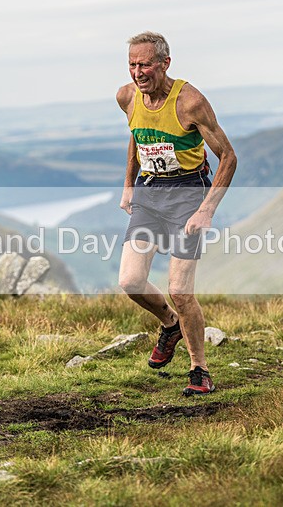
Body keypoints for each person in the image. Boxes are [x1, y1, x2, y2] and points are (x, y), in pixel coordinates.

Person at [117, 32, 237, 396]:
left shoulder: (190, 102)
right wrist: (128, 183)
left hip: (188, 194)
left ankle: (199, 369)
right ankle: (169, 325)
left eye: (145, 64)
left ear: (165, 64)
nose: (138, 73)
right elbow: (138, 137)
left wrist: (206, 209)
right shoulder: (127, 97)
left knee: (180, 291)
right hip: (150, 193)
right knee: (130, 281)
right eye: (133, 64)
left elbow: (228, 157)